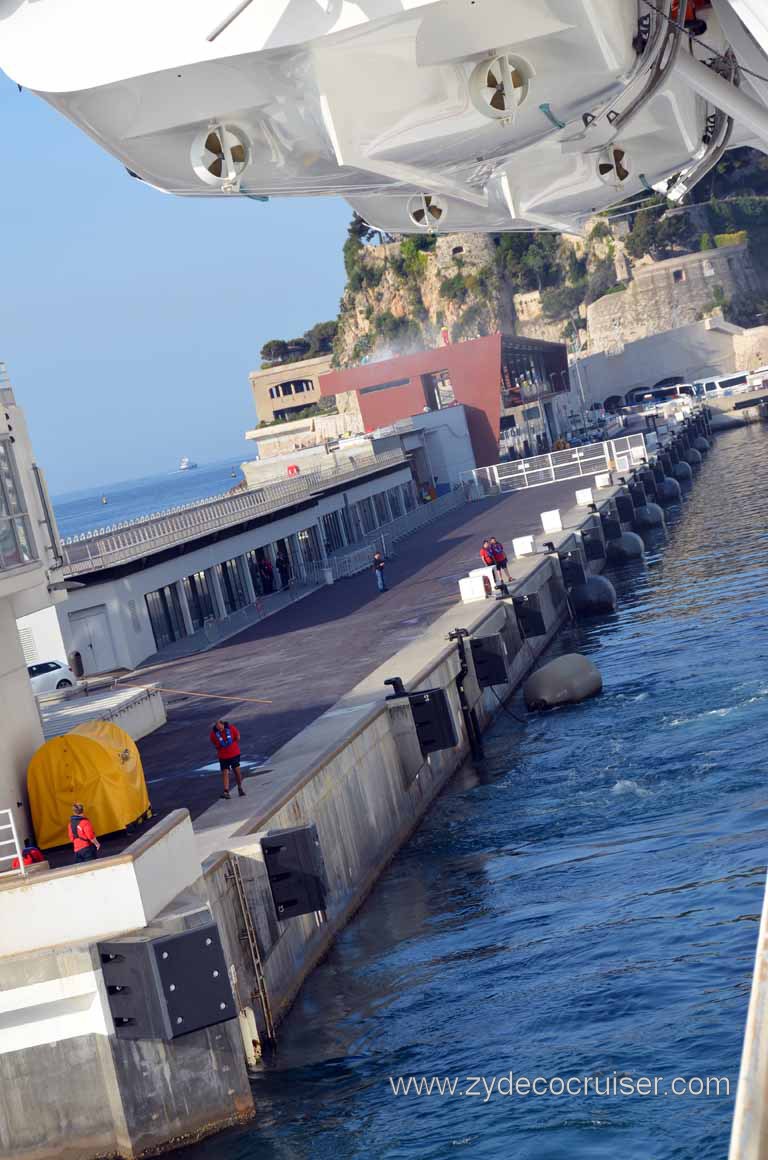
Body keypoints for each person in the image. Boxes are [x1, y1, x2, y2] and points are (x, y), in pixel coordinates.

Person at [210, 719, 246, 800]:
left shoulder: (231, 728)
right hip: (223, 756)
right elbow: (214, 743)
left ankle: (239, 787)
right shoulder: (213, 734)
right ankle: (226, 791)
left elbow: (238, 737)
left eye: (221, 728)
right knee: (225, 772)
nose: (220, 730)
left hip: (234, 754)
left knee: (237, 772)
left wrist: (233, 745)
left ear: (223, 725)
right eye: (218, 728)